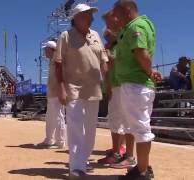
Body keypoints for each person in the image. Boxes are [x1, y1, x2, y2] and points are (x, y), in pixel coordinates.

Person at [54, 3, 108, 178]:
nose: (91, 18)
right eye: (87, 15)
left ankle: (82, 162)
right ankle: (76, 168)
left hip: (93, 89)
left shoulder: (96, 36)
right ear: (75, 18)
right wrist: (61, 88)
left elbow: (103, 61)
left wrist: (107, 82)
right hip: (73, 89)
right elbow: (58, 63)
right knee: (76, 128)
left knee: (91, 130)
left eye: (91, 15)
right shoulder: (66, 36)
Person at [112, 0, 160, 179]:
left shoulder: (135, 27)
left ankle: (142, 172)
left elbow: (141, 53)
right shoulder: (132, 27)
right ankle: (142, 167)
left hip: (135, 85)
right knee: (138, 128)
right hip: (134, 84)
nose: (116, 18)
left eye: (118, 13)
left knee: (140, 130)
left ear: (127, 10)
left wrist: (150, 72)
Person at [97, 10, 128, 165]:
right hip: (115, 85)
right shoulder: (112, 48)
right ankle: (118, 148)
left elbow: (112, 67)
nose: (107, 39)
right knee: (116, 118)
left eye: (109, 36)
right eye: (106, 37)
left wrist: (108, 56)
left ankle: (120, 149)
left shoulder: (117, 47)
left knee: (118, 118)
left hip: (118, 86)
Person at [37, 41, 66, 149]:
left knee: (59, 117)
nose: (44, 52)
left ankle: (61, 141)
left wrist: (62, 91)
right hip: (51, 93)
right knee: (50, 118)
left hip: (57, 92)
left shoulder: (58, 61)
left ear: (52, 50)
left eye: (46, 50)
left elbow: (62, 77)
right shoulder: (51, 62)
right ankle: (49, 139)